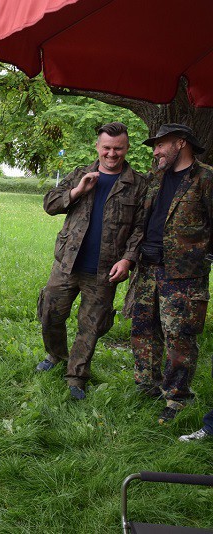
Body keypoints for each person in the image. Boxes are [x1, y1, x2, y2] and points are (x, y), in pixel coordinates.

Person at [35, 122, 146, 400]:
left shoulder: (138, 184)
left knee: (91, 325)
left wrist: (128, 259)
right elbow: (50, 204)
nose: (112, 154)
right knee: (50, 313)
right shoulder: (80, 174)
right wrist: (78, 191)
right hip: (67, 262)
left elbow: (140, 228)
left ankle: (77, 376)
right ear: (97, 147)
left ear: (127, 148)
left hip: (105, 269)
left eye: (118, 148)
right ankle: (56, 355)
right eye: (106, 147)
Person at [124, 123, 213, 424]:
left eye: (161, 144)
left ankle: (177, 398)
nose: (156, 151)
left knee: (179, 338)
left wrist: (202, 258)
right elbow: (142, 222)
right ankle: (146, 386)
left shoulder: (205, 178)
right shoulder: (156, 178)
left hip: (184, 275)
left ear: (181, 143)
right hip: (148, 268)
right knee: (143, 329)